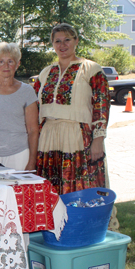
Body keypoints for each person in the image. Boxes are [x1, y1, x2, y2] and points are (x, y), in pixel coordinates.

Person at [33, 23, 109, 195]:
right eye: (57, 41)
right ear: (52, 44)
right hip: (48, 138)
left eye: (67, 39)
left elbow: (101, 104)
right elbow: (34, 107)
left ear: (76, 41)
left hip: (77, 137)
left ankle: (83, 222)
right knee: (51, 191)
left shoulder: (91, 69)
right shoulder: (45, 73)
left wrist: (98, 140)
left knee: (81, 190)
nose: (62, 45)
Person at [0, 42, 39, 171]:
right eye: (1, 61)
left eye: (10, 61)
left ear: (17, 64)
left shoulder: (27, 91)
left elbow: (33, 130)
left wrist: (31, 161)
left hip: (19, 155)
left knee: (17, 191)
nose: (6, 66)